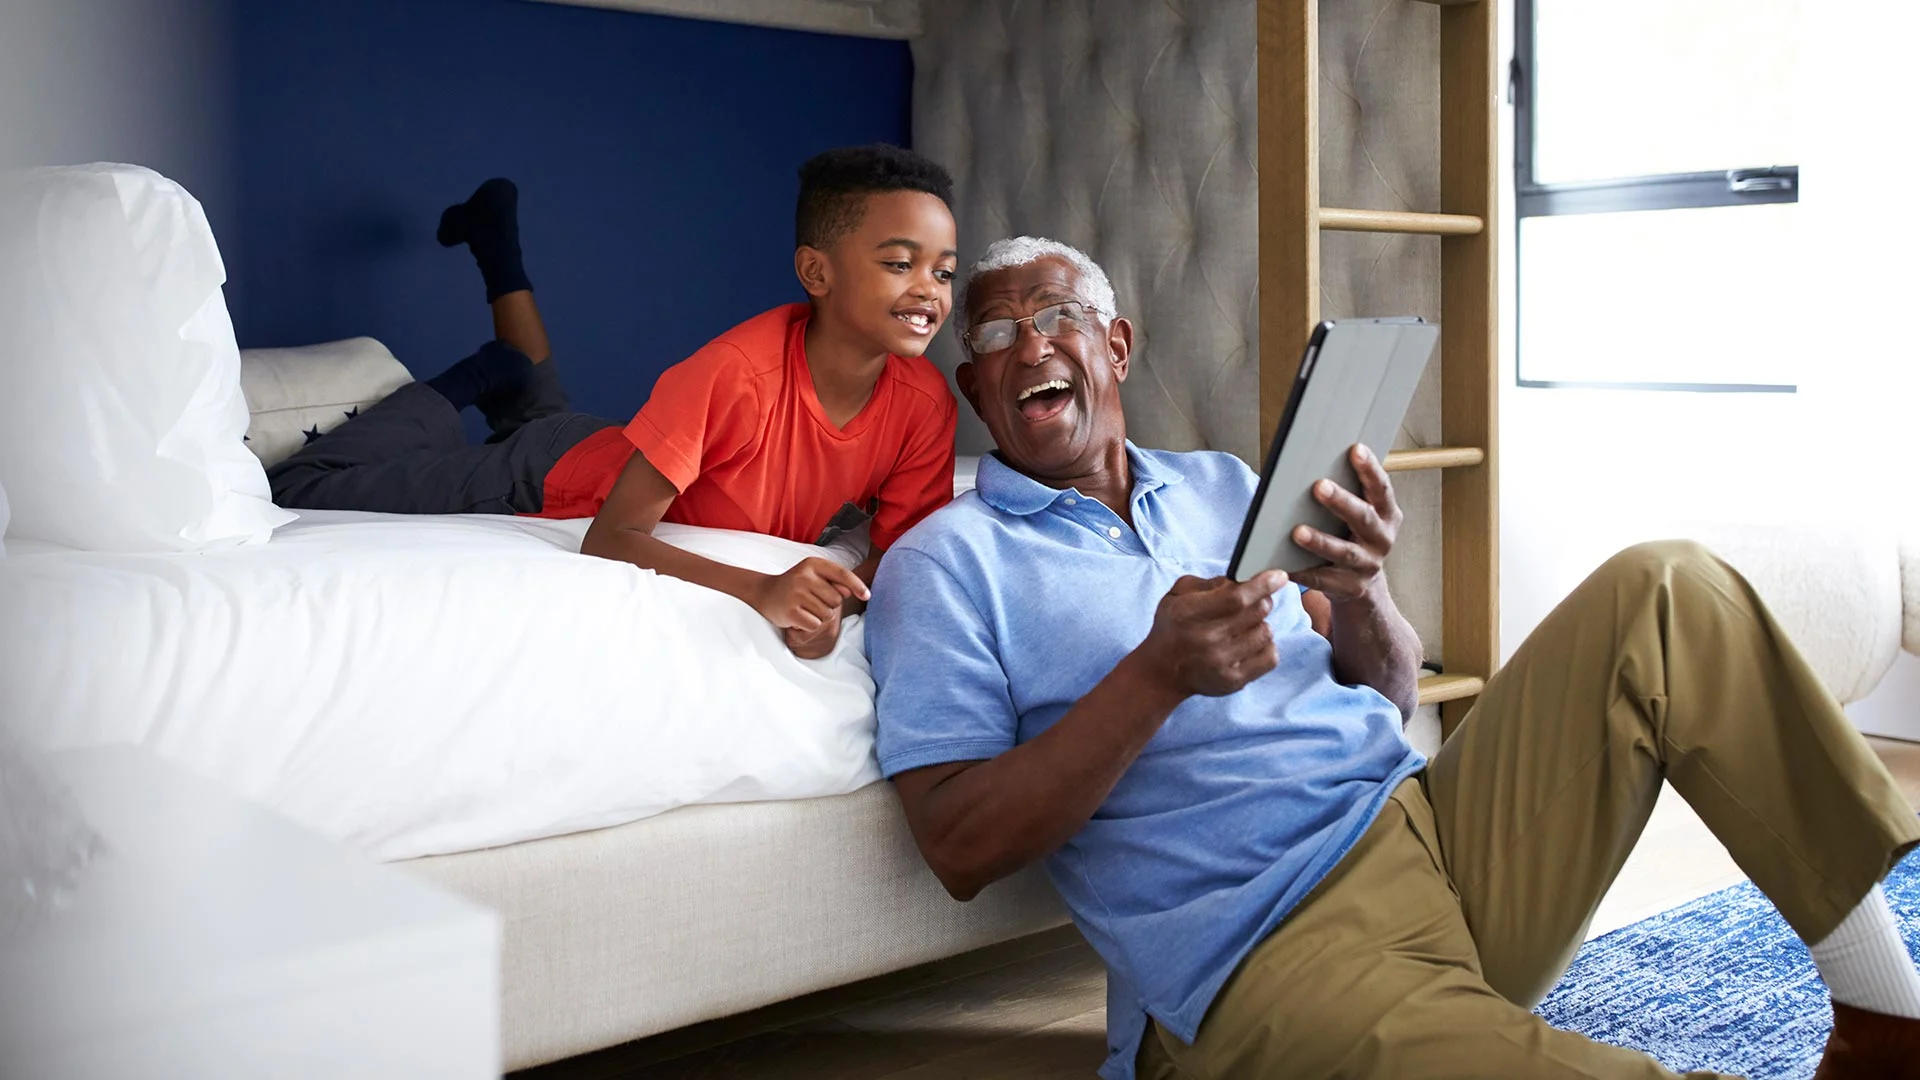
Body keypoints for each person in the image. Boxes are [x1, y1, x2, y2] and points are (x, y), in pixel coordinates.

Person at [863, 235, 1920, 1079]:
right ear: (974, 387)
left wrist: (1363, 589)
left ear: (1118, 346)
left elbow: (1388, 690)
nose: (1030, 347)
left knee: (1668, 586)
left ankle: (1888, 1017)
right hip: (1264, 949)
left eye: (1058, 316)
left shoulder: (1225, 484)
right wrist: (1153, 677)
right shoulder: (946, 565)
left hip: (1436, 835)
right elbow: (957, 846)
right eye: (996, 333)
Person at [270, 144, 961, 658]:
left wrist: (836, 605)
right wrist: (762, 590)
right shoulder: (736, 375)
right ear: (816, 271)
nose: (928, 288)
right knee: (300, 486)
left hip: (616, 448)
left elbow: (898, 555)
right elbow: (612, 537)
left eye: (944, 271)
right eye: (899, 264)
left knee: (542, 411)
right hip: (547, 475)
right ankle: (481, 374)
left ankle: (497, 257)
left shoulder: (925, 405)